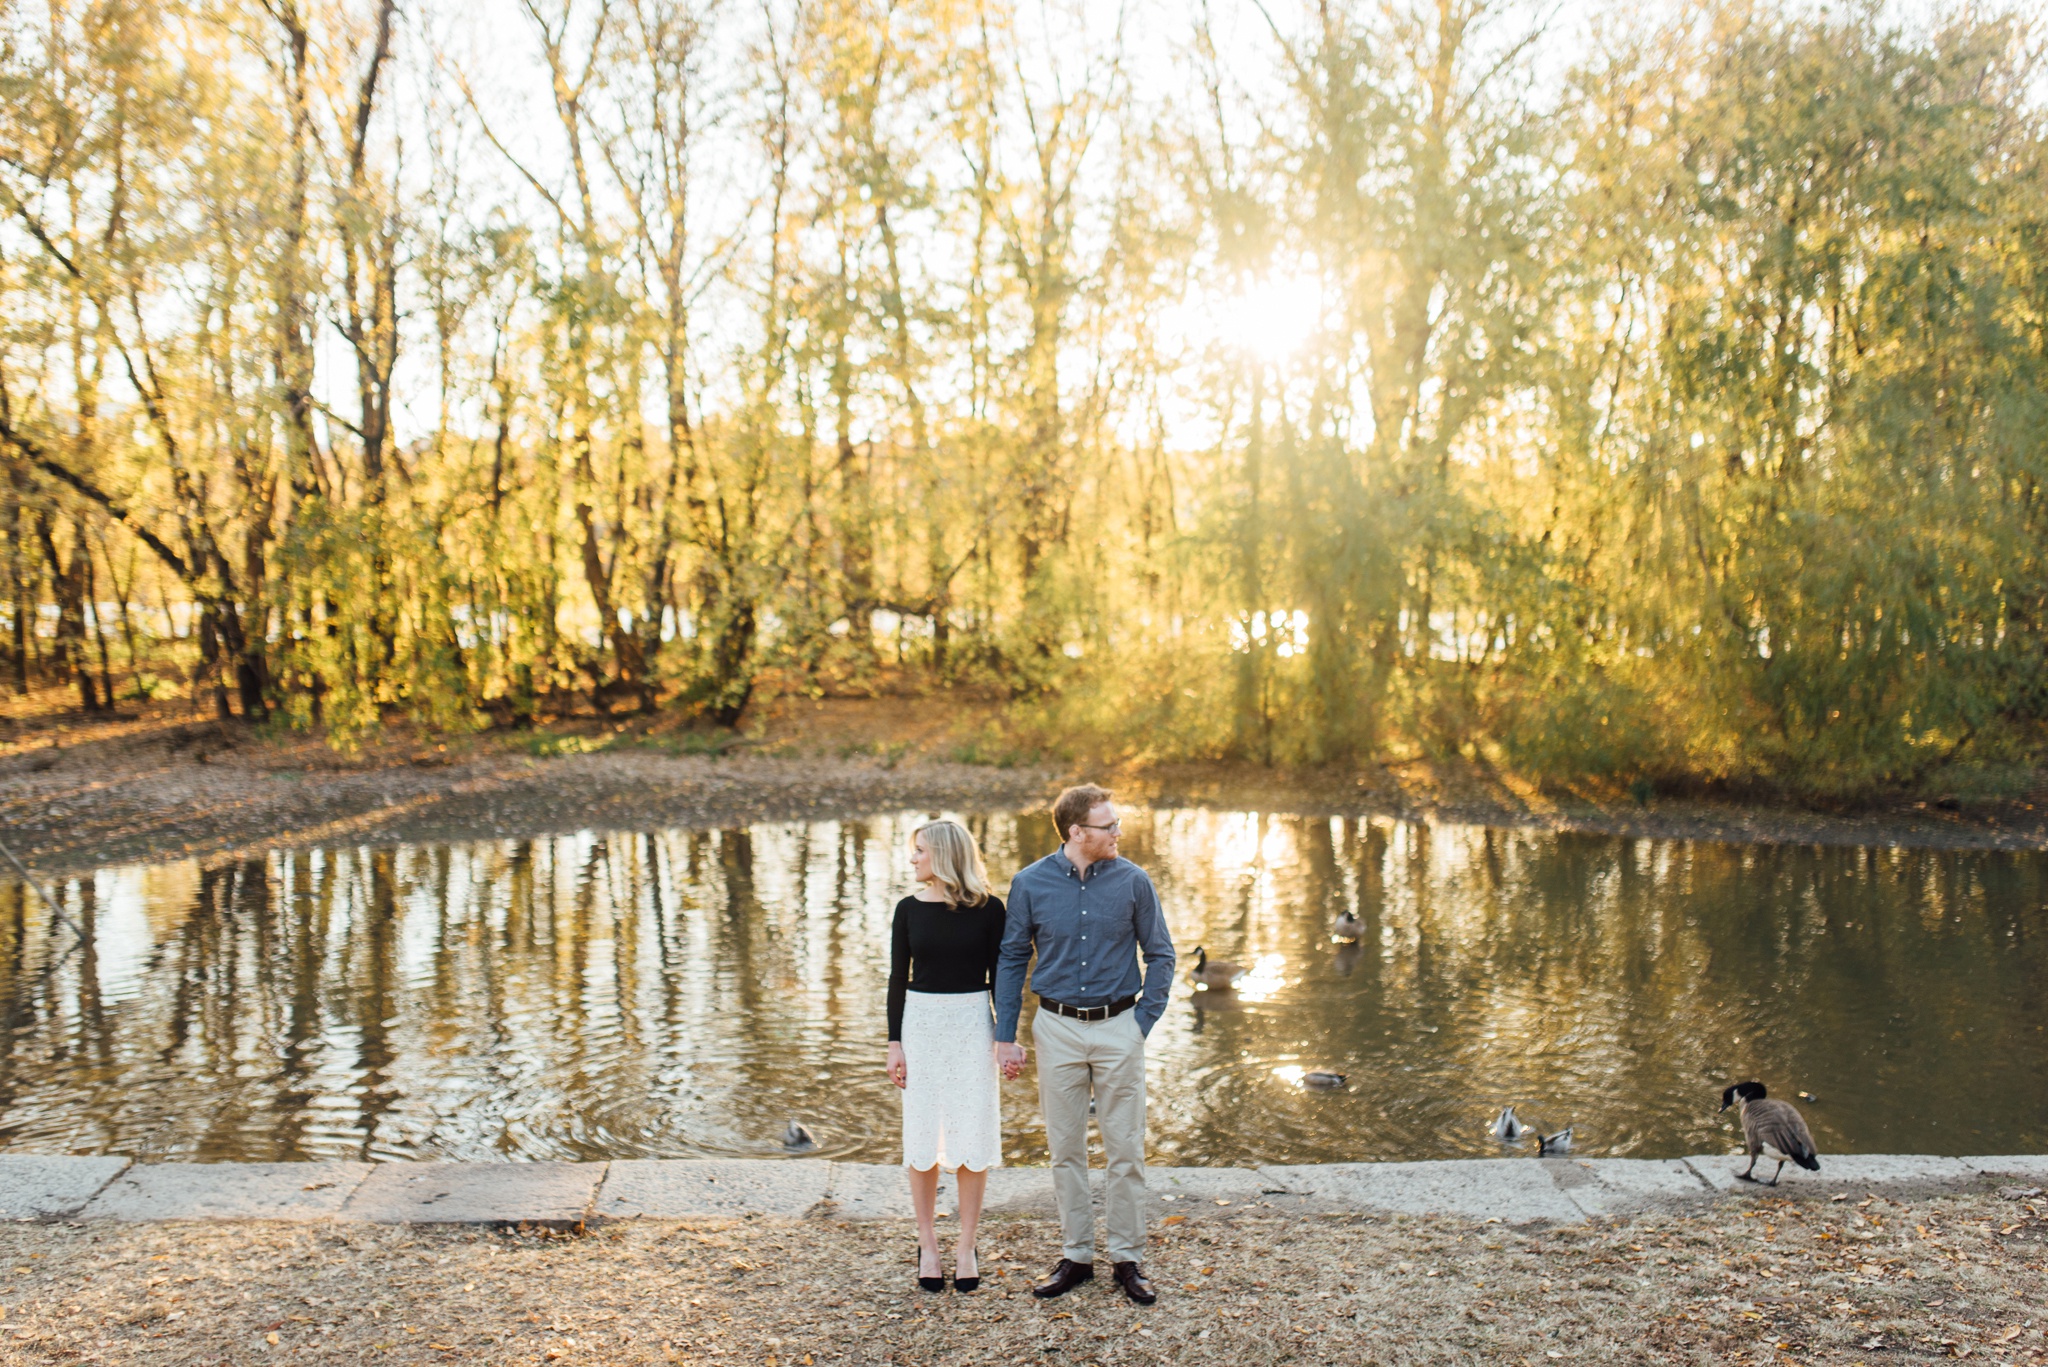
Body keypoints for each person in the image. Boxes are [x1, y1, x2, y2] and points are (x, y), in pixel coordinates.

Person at [994, 784, 1176, 1306]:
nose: (1118, 832)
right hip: (1055, 1028)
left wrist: (1141, 1023)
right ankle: (1076, 1255)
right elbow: (1011, 958)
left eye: (1116, 823)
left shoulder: (1134, 882)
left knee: (1125, 1149)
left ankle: (1127, 1258)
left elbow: (1161, 955)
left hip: (1120, 1024)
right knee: (1065, 1149)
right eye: (1108, 825)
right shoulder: (1029, 884)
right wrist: (1004, 1035)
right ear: (1077, 832)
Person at [886, 819, 1006, 1294]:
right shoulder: (906, 910)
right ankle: (928, 1241)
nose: (913, 859)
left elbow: (1003, 978)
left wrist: (1005, 1038)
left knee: (971, 1131)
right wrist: (894, 1042)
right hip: (920, 1025)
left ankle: (967, 1245)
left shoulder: (990, 909)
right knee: (922, 1132)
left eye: (919, 851)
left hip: (973, 1023)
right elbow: (898, 979)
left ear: (943, 855)